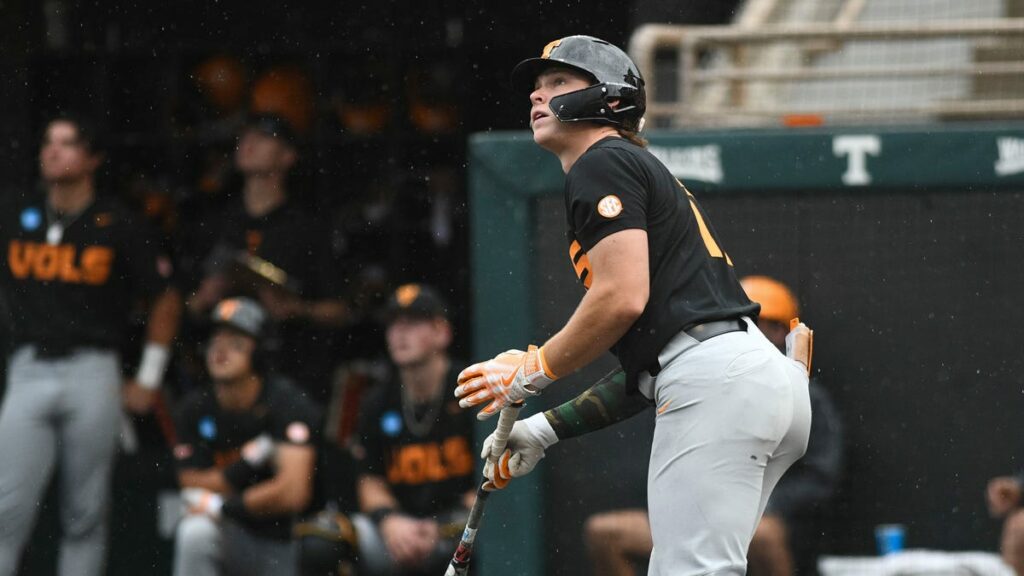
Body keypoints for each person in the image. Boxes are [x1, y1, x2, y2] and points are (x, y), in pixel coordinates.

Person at [453, 36, 813, 576]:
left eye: (558, 83)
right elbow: (657, 366)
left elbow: (621, 299)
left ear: (609, 97)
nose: (536, 96)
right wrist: (544, 429)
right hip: (752, 379)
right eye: (535, 87)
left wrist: (532, 371)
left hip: (717, 379)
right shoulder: (626, 164)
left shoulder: (600, 161)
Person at [0, 112, 181, 576]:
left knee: (85, 512)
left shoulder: (117, 223)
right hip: (29, 367)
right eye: (47, 142)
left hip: (93, 367)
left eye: (67, 143)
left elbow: (166, 297)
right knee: (5, 507)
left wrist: (149, 377)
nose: (52, 151)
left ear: (93, 158)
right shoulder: (15, 213)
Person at [581, 276, 843, 576]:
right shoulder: (695, 378)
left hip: (758, 518)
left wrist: (765, 506)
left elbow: (820, 476)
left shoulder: (803, 394)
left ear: (783, 331)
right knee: (606, 533)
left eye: (765, 324)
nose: (753, 332)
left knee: (766, 537)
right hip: (690, 515)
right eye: (746, 323)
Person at [185, 113, 349, 401]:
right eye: (244, 137)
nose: (248, 144)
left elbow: (341, 310)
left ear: (287, 156)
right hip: (217, 376)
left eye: (263, 138)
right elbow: (181, 303)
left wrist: (296, 309)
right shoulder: (214, 223)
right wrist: (204, 298)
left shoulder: (308, 229)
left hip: (288, 371)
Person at [172, 297, 320, 576]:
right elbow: (190, 483)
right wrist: (246, 466)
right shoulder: (194, 408)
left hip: (283, 541)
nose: (221, 348)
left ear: (260, 351)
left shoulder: (286, 402)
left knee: (321, 544)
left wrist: (222, 504)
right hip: (232, 536)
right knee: (195, 532)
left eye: (236, 340)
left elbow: (292, 492)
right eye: (216, 337)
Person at [351, 283, 475, 575]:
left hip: (460, 525)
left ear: (442, 332)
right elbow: (369, 481)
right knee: (323, 539)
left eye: (413, 323)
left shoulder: (473, 388)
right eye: (393, 325)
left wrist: (441, 526)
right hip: (398, 530)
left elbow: (492, 483)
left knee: (479, 536)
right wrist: (391, 521)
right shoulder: (376, 400)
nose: (400, 333)